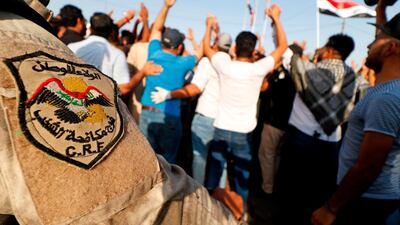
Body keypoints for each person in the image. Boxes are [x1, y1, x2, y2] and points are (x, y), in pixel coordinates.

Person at [0, 0, 237, 224]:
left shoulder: (149, 53)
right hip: (161, 121)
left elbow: (154, 32)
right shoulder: (28, 40)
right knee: (161, 169)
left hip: (144, 116)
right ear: (178, 47)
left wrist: (163, 9)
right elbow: (144, 199)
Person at [311, 1, 400, 224]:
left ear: (391, 49)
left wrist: (331, 208)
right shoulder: (390, 89)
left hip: (367, 203)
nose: (369, 44)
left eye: (376, 40)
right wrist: (381, 9)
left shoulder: (386, 99)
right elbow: (388, 36)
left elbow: (368, 167)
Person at [202, 4, 288, 212]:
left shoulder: (225, 65)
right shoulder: (258, 69)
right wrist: (275, 18)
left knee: (214, 174)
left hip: (221, 129)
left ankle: (207, 212)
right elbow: (283, 47)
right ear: (253, 50)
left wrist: (209, 27)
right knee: (242, 178)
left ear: (234, 48)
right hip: (244, 133)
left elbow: (206, 48)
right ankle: (242, 214)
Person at [273, 32, 357, 224]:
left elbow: (283, 50)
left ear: (328, 51)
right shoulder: (354, 78)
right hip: (330, 146)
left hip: (299, 141)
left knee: (290, 191)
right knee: (318, 196)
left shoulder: (306, 70)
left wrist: (275, 20)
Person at [150, 31, 233, 184]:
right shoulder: (235, 64)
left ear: (215, 44)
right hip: (226, 119)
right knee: (221, 161)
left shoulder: (208, 62)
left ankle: (200, 194)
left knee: (200, 158)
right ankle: (218, 194)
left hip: (205, 117)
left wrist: (169, 94)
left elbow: (195, 88)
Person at [139, 0, 202, 164]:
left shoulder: (153, 52)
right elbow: (201, 52)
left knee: (146, 161)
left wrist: (166, 7)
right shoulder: (184, 63)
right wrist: (208, 29)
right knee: (168, 163)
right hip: (170, 118)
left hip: (146, 113)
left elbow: (156, 28)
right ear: (180, 47)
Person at [68, 12, 158, 97]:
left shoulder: (71, 47)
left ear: (90, 28)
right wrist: (143, 72)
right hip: (98, 110)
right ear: (111, 32)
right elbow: (123, 88)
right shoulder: (117, 54)